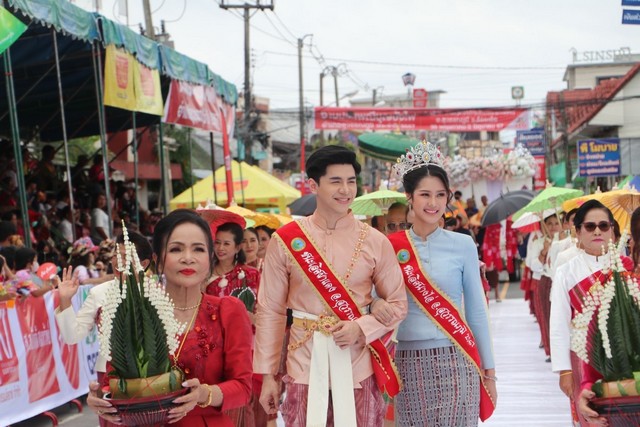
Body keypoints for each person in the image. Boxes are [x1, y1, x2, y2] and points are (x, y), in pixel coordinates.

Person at [254, 145, 408, 427]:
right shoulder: (286, 240)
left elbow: (398, 304)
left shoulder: (375, 241)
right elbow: (270, 311)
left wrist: (361, 328)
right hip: (303, 364)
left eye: (351, 181)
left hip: (358, 365)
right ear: (313, 184)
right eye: (335, 181)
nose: (345, 190)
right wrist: (267, 376)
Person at [86, 209, 253, 426]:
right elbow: (114, 381)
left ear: (210, 257)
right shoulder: (133, 312)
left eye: (199, 249)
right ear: (158, 260)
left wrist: (203, 394)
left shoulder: (228, 311)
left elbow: (243, 387)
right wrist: (102, 398)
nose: (188, 258)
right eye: (176, 249)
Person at [386, 141, 496, 425]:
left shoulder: (463, 245)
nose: (433, 203)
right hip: (407, 364)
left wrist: (490, 372)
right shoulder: (389, 247)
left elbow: (476, 312)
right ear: (409, 196)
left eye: (440, 195)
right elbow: (378, 305)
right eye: (424, 194)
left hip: (458, 360)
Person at [550, 200, 633, 426]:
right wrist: (564, 370)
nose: (597, 231)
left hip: (625, 356)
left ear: (613, 233)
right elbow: (558, 322)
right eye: (589, 226)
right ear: (577, 232)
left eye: (604, 226)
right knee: (592, 416)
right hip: (583, 358)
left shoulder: (626, 267)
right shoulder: (566, 272)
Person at [55, 230, 154, 410]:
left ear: (144, 263)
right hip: (109, 374)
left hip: (153, 374)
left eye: (125, 256)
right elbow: (72, 336)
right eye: (116, 255)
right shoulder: (99, 292)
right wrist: (65, 301)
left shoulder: (157, 294)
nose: (117, 261)